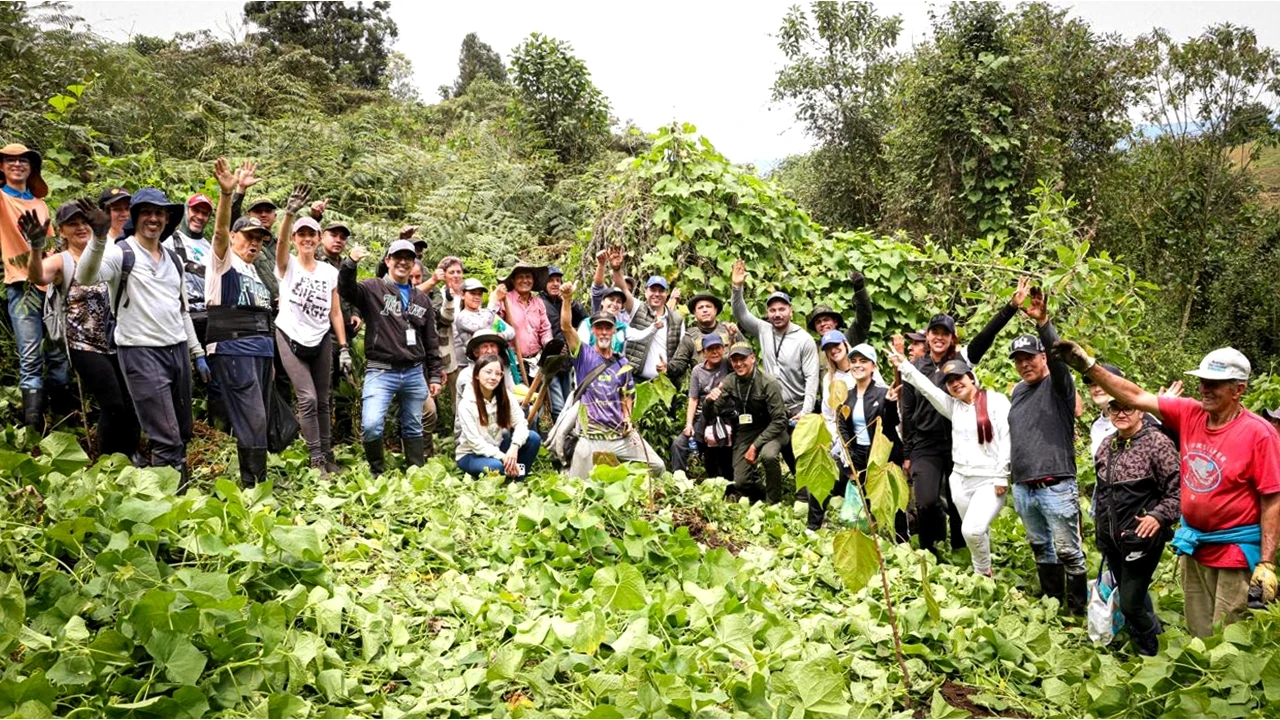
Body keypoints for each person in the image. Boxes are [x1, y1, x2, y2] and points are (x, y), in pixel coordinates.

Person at [1055, 342, 1280, 637]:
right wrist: (1088, 367)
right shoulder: (1191, 413)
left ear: (1238, 390)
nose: (1205, 389)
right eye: (1202, 381)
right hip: (1196, 546)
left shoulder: (1258, 434)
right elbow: (1134, 395)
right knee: (1199, 631)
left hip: (1234, 550)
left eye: (1215, 384)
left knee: (1232, 635)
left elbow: (1272, 498)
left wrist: (1266, 562)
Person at [75, 184, 206, 488]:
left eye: (159, 213)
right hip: (140, 352)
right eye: (146, 212)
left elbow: (182, 310)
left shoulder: (173, 259)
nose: (153, 218)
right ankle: (168, 506)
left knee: (183, 432)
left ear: (167, 219)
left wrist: (197, 353)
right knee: (166, 436)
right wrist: (97, 237)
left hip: (177, 351)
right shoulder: (121, 253)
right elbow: (85, 276)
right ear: (136, 216)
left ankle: (178, 497)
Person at [900, 277, 1028, 556]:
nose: (938, 337)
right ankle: (929, 550)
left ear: (952, 338)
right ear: (928, 335)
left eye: (944, 333)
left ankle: (961, 549)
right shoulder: (914, 367)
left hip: (958, 442)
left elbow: (985, 336)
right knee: (927, 502)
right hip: (925, 443)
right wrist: (907, 451)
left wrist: (1010, 308)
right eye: (934, 332)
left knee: (961, 502)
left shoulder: (961, 361)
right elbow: (906, 410)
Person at [27, 200, 140, 458]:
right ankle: (109, 461)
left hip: (118, 340)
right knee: (112, 404)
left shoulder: (106, 252)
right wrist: (36, 248)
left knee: (131, 402)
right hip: (84, 345)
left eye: (84, 222)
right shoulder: (61, 261)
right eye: (72, 224)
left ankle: (132, 454)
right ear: (62, 230)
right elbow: (37, 276)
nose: (80, 227)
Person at [891, 353, 1010, 576]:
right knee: (974, 531)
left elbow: (1007, 438)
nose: (956, 384)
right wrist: (904, 365)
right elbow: (927, 388)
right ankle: (984, 571)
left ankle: (982, 572)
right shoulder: (953, 407)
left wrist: (1002, 475)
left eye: (959, 378)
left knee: (971, 530)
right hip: (960, 481)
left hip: (989, 479)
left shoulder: (996, 401)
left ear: (971, 377)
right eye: (950, 382)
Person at [1007, 288, 1087, 614]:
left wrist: (1044, 323)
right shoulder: (1016, 392)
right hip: (1024, 486)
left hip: (1055, 484)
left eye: (1031, 357)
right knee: (1041, 548)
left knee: (1069, 550)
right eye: (1019, 360)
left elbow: (1061, 360)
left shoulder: (1058, 386)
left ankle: (1078, 609)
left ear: (1042, 357)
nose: (1025, 364)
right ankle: (1052, 604)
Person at [339, 238, 443, 475]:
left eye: (408, 258)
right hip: (381, 370)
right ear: (387, 261)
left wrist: (435, 375)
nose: (403, 262)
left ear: (414, 263)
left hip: (414, 371)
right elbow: (346, 289)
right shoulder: (372, 288)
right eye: (397, 258)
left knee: (414, 424)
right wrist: (350, 262)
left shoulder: (422, 299)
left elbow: (431, 341)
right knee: (372, 424)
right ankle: (377, 472)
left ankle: (415, 471)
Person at [204, 159, 276, 487]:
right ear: (235, 237)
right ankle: (253, 486)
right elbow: (219, 231)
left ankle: (256, 479)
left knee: (259, 415)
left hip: (260, 349)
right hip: (233, 347)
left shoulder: (255, 270)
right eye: (249, 237)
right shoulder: (222, 261)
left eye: (259, 239)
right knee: (253, 418)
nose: (254, 243)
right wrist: (226, 194)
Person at [1092, 396, 1180, 655]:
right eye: (1114, 408)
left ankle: (1151, 650)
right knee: (1134, 595)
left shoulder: (1157, 443)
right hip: (1112, 539)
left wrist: (1158, 516)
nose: (1121, 413)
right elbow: (1102, 494)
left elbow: (1179, 491)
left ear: (1141, 410)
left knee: (1130, 603)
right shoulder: (1107, 445)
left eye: (1127, 407)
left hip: (1142, 537)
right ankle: (1155, 639)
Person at [274, 184, 350, 476]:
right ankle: (316, 458)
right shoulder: (288, 265)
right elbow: (279, 246)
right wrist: (290, 214)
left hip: (320, 338)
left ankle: (328, 454)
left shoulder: (330, 272)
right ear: (295, 239)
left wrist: (343, 348)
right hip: (290, 335)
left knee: (323, 397)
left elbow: (335, 311)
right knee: (306, 398)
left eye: (311, 235)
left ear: (319, 239)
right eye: (301, 235)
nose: (306, 239)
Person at [558, 282, 665, 479]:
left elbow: (627, 394)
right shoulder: (583, 355)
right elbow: (566, 327)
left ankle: (628, 489)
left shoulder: (622, 362)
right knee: (576, 488)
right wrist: (566, 299)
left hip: (619, 436)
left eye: (608, 328)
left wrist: (627, 417)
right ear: (593, 331)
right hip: (591, 437)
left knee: (657, 467)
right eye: (599, 328)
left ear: (615, 331)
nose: (604, 332)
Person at [1, 143, 73, 431]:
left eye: (23, 161)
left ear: (32, 168)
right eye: (10, 160)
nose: (17, 165)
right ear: (2, 166)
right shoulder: (2, 199)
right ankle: (33, 430)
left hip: (49, 289)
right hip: (21, 286)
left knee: (58, 354)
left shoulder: (40, 204)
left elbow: (52, 246)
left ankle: (65, 421)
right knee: (30, 356)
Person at [729, 259, 818, 482]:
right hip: (773, 409)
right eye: (772, 310)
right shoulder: (763, 329)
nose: (776, 314)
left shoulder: (804, 340)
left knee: (800, 458)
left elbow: (811, 377)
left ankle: (807, 501)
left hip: (797, 407)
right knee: (777, 454)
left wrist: (806, 410)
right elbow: (741, 314)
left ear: (791, 310)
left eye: (781, 309)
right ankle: (781, 497)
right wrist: (736, 288)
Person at [812, 336, 908, 536]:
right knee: (866, 499)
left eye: (863, 361)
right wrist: (850, 455)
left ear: (873, 366)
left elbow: (891, 427)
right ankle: (870, 537)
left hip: (884, 456)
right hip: (859, 454)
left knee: (892, 499)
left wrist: (889, 404)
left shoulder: (883, 393)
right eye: (854, 361)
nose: (857, 365)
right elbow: (842, 424)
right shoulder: (848, 395)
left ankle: (901, 539)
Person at [702, 342, 791, 503]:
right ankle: (763, 492)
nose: (738, 364)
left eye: (742, 359)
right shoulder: (730, 381)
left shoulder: (768, 383)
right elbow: (711, 414)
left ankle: (774, 503)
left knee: (768, 456)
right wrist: (708, 402)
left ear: (753, 358)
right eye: (734, 360)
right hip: (748, 430)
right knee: (741, 481)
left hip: (773, 429)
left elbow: (780, 420)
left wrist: (755, 446)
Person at [455, 353, 541, 481]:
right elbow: (476, 444)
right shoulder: (467, 403)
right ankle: (507, 472)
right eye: (488, 372)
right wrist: (503, 457)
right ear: (477, 374)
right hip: (471, 454)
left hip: (497, 446)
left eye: (498, 373)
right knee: (497, 467)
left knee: (533, 438)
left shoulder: (505, 396)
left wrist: (514, 447)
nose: (493, 377)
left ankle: (518, 478)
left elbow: (521, 423)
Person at [670, 333, 732, 479]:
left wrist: (733, 336)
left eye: (718, 348)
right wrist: (689, 424)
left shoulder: (727, 364)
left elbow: (737, 358)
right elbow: (693, 398)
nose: (715, 352)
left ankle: (728, 484)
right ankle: (679, 480)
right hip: (702, 417)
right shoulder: (698, 370)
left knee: (721, 450)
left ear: (723, 349)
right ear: (703, 353)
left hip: (724, 416)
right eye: (710, 349)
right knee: (679, 444)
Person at [165, 193, 215, 344]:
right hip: (184, 316)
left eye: (205, 213)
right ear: (186, 210)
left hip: (209, 317)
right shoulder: (170, 240)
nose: (200, 217)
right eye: (196, 211)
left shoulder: (209, 246)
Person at [541, 265, 587, 421]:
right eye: (551, 280)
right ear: (544, 284)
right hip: (549, 360)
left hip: (567, 360)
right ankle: (558, 439)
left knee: (568, 400)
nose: (555, 284)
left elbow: (584, 319)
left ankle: (566, 437)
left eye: (558, 280)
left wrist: (570, 301)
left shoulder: (566, 302)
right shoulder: (539, 303)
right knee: (558, 404)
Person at [668, 292, 742, 385]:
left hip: (733, 387)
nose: (705, 310)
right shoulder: (690, 337)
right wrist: (666, 368)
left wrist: (732, 337)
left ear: (715, 310)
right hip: (704, 391)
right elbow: (679, 365)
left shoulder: (729, 330)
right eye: (700, 307)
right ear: (694, 313)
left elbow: (748, 357)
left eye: (708, 306)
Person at [623, 275, 683, 383]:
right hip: (635, 380)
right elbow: (622, 291)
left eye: (661, 291)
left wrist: (669, 368)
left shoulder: (677, 319)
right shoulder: (637, 308)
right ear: (645, 291)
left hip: (665, 382)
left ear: (667, 294)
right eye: (653, 290)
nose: (657, 294)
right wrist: (616, 270)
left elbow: (682, 354)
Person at [499, 262, 552, 380]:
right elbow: (496, 325)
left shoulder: (538, 303)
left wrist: (548, 343)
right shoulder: (505, 300)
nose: (525, 280)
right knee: (521, 397)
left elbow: (545, 329)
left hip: (536, 361)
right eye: (520, 277)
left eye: (528, 277)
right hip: (514, 362)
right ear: (513, 281)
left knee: (538, 397)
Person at [454, 279, 514, 369]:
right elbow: (484, 328)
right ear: (463, 295)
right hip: (474, 365)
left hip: (495, 362)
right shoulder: (461, 317)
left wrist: (502, 335)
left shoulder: (487, 313)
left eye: (479, 294)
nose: (477, 297)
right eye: (473, 293)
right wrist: (493, 302)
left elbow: (511, 331)